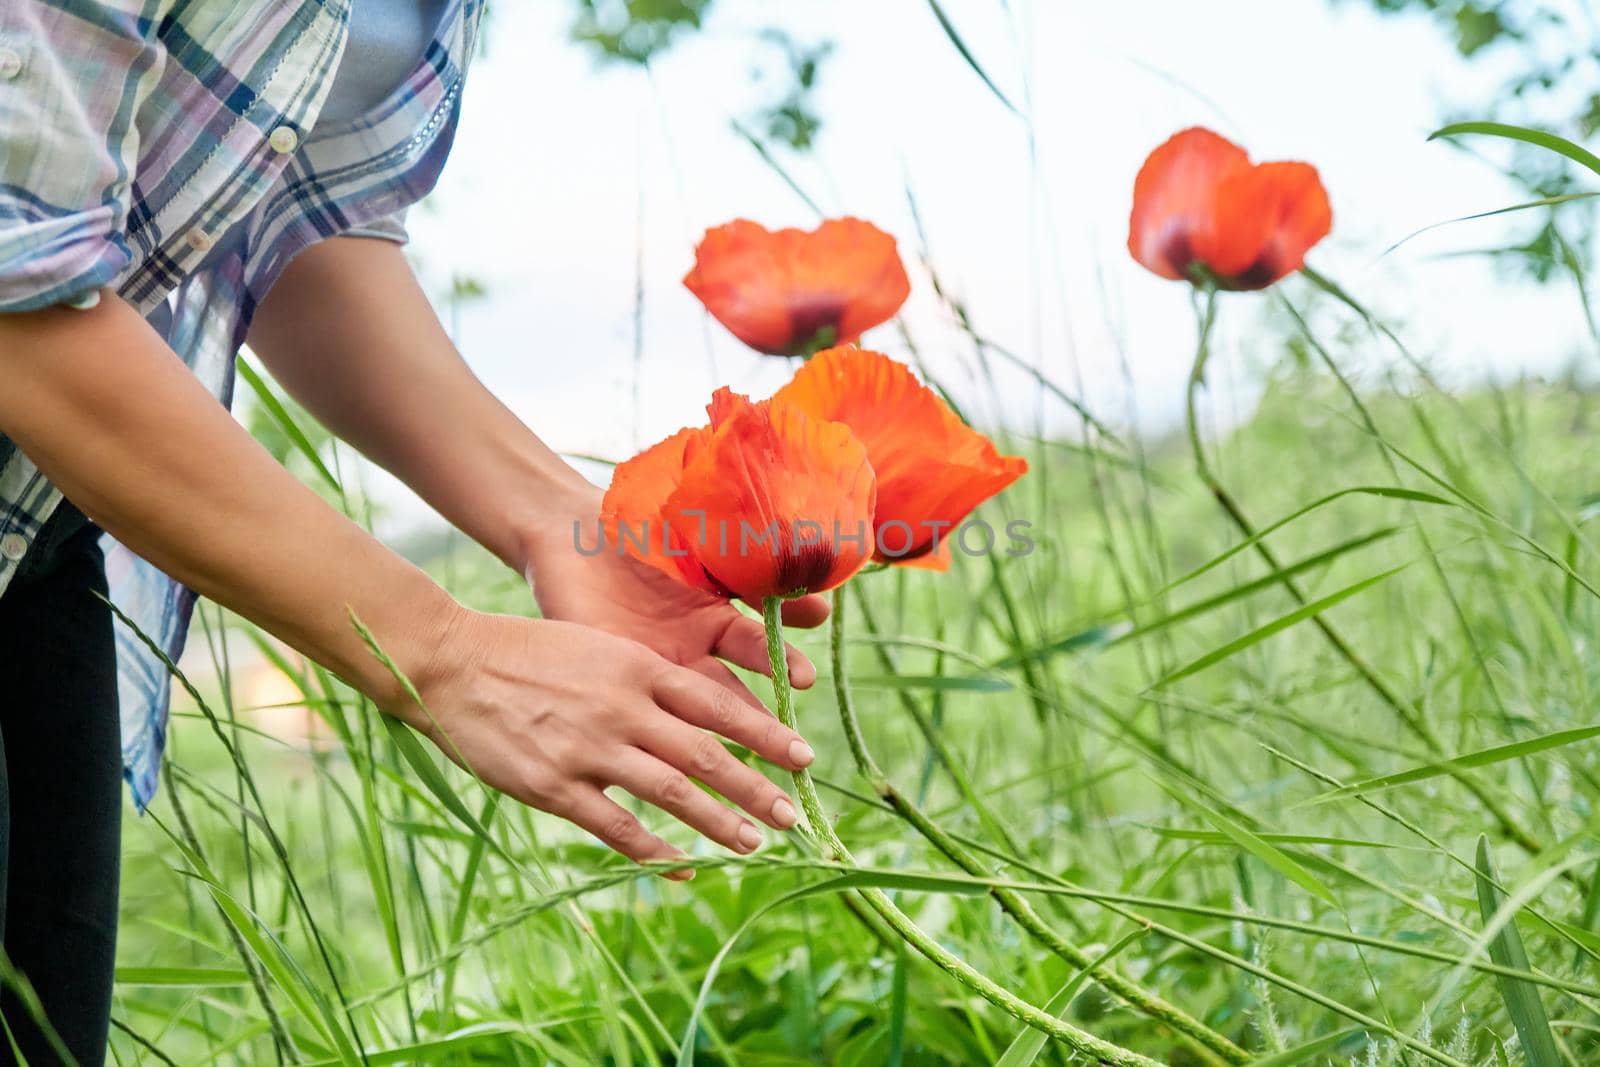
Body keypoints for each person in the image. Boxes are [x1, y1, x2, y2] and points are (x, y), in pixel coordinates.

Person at [0, 1, 825, 1061]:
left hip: (39, 532)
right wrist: (441, 651)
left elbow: (285, 220)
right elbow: (16, 286)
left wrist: (560, 521)